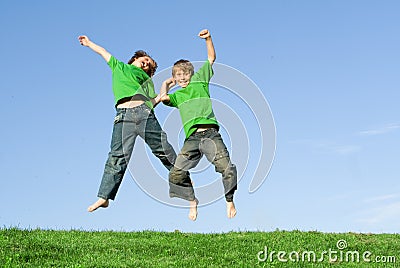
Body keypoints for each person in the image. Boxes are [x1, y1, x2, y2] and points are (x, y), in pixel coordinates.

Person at [78, 35, 181, 212]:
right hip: (122, 116)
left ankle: (181, 175)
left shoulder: (146, 81)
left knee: (161, 147)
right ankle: (104, 197)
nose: (147, 63)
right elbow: (103, 51)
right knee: (117, 156)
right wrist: (88, 43)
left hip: (143, 113)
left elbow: (154, 101)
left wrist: (167, 85)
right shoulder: (120, 66)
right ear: (136, 58)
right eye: (145, 59)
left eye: (150, 65)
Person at [160, 29, 237, 221]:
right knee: (176, 174)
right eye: (178, 75)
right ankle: (192, 201)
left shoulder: (200, 80)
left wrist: (208, 39)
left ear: (191, 74)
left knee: (227, 168)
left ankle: (229, 200)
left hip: (211, 134)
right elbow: (162, 98)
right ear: (175, 79)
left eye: (185, 74)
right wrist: (166, 83)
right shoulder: (177, 95)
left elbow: (211, 57)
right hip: (192, 139)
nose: (183, 77)